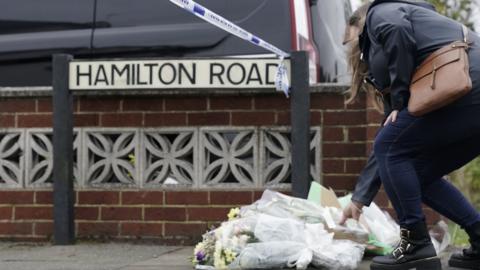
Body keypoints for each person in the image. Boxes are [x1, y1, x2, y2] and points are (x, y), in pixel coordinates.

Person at [340, 1, 480, 269]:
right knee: (415, 171)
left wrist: (401, 96)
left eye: (353, 42)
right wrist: (360, 199)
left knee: (391, 146)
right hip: (468, 95)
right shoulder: (412, 53)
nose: (356, 53)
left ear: (360, 23)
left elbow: (395, 27)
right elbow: (390, 137)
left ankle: (415, 242)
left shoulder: (381, 13)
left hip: (469, 85)